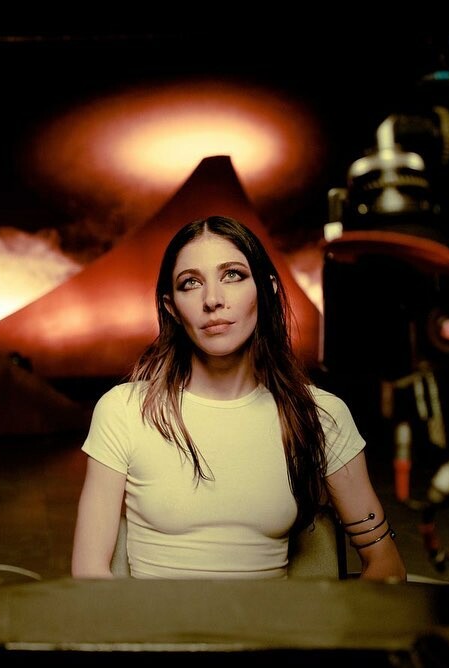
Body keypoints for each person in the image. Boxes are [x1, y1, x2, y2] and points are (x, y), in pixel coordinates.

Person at [71, 215, 406, 581]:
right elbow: (89, 575)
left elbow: (386, 565)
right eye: (190, 283)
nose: (213, 300)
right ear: (171, 307)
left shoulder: (320, 414)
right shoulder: (124, 410)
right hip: (153, 618)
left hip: (274, 619)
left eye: (232, 275)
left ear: (267, 289)